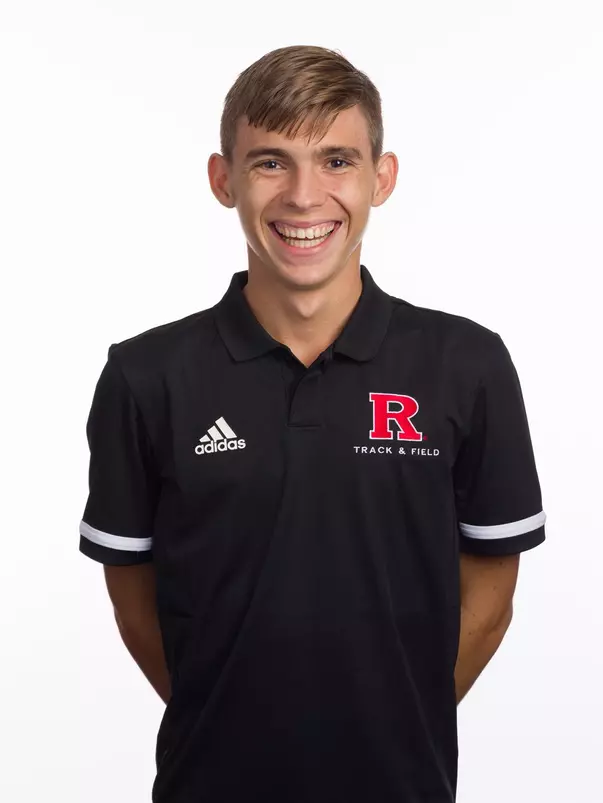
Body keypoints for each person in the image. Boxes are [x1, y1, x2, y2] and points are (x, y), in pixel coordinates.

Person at [79, 44, 546, 803]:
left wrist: (396, 713)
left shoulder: (467, 364)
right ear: (222, 179)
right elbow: (131, 591)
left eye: (335, 160)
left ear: (380, 178)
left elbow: (491, 590)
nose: (304, 195)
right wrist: (226, 709)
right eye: (270, 161)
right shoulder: (145, 374)